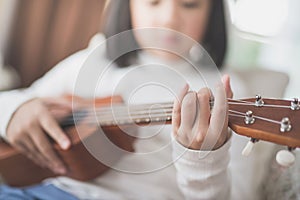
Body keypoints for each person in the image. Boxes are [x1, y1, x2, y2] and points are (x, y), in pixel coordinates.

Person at [0, 0, 276, 199]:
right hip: (40, 189)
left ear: (212, 13)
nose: (170, 18)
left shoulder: (227, 91)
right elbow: (16, 102)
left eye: (189, 4)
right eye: (153, 2)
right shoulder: (93, 60)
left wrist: (203, 158)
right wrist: (17, 110)